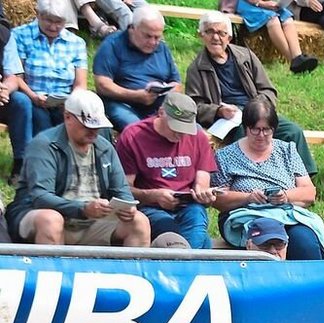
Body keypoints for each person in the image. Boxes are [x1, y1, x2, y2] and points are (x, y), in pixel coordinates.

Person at [6, 89, 151, 248]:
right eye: (87, 125)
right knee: (51, 220)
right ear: (67, 117)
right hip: (40, 215)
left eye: (98, 125)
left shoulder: (105, 148)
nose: (94, 131)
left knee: (139, 221)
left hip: (92, 222)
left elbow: (123, 192)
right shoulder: (44, 145)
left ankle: (131, 272)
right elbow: (40, 197)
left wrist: (128, 208)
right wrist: (83, 209)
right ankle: (51, 271)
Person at [186, 11, 319, 176]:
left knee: (293, 131)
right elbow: (195, 106)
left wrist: (259, 107)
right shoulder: (196, 68)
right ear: (201, 35)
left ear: (229, 37)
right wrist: (219, 111)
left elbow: (268, 90)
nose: (216, 38)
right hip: (228, 118)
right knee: (245, 133)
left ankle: (306, 180)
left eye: (221, 33)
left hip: (255, 109)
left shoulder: (245, 55)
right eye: (210, 32)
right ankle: (247, 181)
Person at [211, 96, 324, 260]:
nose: (261, 135)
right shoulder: (226, 156)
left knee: (306, 243)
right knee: (267, 242)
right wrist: (248, 197)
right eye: (256, 129)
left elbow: (309, 192)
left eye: (266, 130)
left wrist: (285, 196)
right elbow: (218, 199)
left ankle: (310, 283)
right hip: (246, 215)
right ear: (246, 128)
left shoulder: (286, 150)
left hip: (285, 214)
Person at [115, 92, 219, 249]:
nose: (180, 134)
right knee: (173, 234)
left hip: (188, 206)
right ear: (161, 113)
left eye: (185, 129)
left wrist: (203, 194)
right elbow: (124, 189)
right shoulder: (133, 136)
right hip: (150, 207)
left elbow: (202, 182)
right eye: (175, 127)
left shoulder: (198, 137)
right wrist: (153, 196)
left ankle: (185, 261)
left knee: (197, 222)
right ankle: (189, 260)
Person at [1, 0, 88, 183]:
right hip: (33, 96)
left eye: (60, 22)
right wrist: (33, 95)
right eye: (49, 21)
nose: (54, 26)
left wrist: (72, 101)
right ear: (38, 15)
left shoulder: (76, 43)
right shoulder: (19, 35)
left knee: (75, 116)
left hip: (63, 98)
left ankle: (74, 167)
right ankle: (32, 166)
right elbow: (18, 75)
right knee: (39, 117)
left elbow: (81, 84)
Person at [92, 7, 182, 132]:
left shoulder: (162, 48)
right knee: (138, 130)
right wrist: (135, 96)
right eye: (147, 36)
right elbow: (102, 85)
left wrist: (165, 89)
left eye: (157, 37)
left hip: (159, 105)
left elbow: (177, 83)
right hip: (123, 104)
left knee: (187, 127)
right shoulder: (113, 44)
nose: (152, 42)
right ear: (133, 28)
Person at [237, 0, 319, 74]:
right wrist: (261, 3)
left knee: (287, 18)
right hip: (246, 3)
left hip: (266, 4)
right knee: (273, 20)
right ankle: (293, 61)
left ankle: (298, 56)